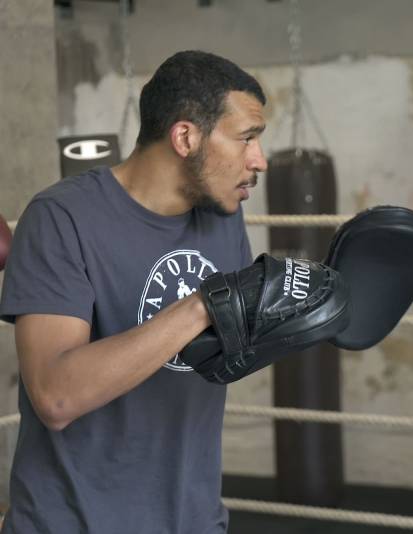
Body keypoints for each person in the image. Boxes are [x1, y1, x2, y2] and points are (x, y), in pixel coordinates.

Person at [0, 50, 269, 533]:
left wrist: (320, 308)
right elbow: (55, 397)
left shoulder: (222, 218)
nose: (259, 160)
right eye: (247, 138)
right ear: (185, 137)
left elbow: (233, 354)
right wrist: (201, 306)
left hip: (193, 520)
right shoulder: (61, 219)